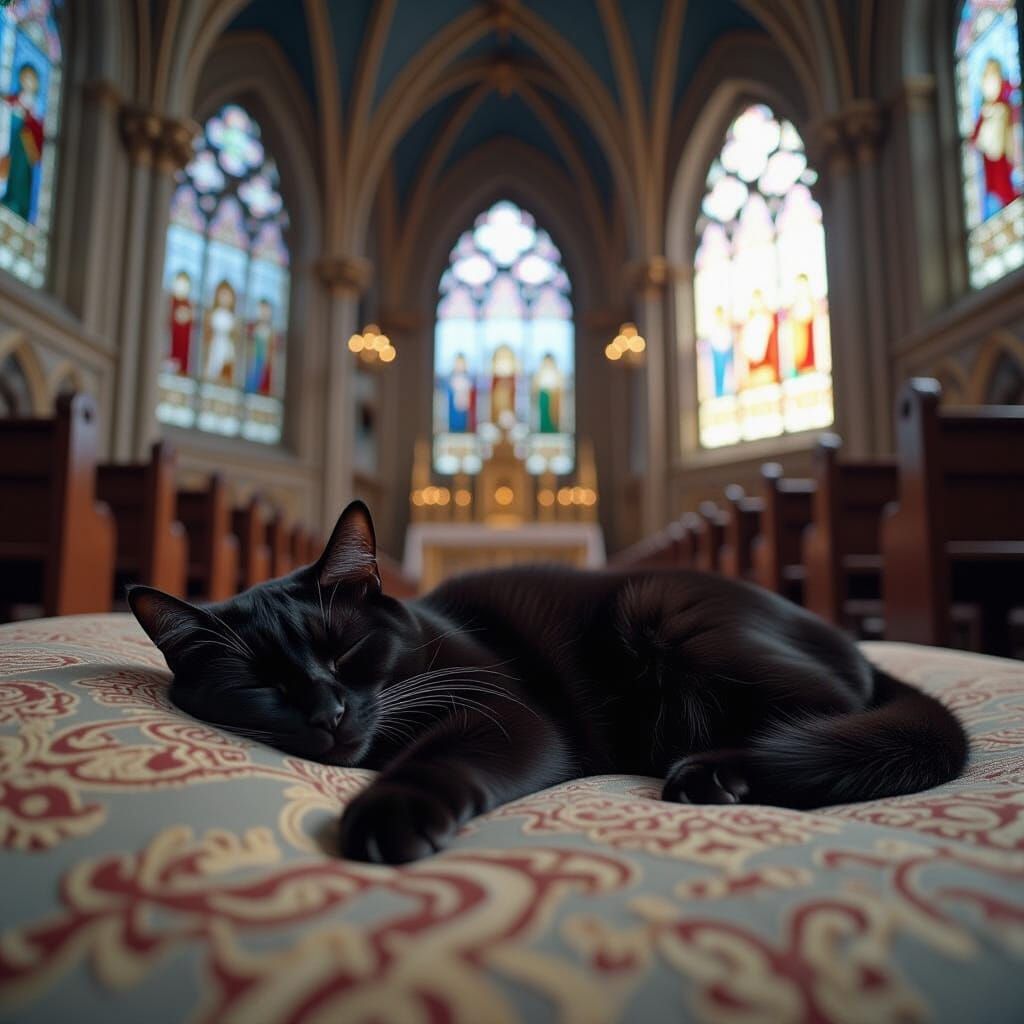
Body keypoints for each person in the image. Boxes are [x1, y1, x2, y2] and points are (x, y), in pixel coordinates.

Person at [970, 58, 1021, 217]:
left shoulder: (1009, 104)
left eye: (993, 76)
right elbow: (975, 140)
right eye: (986, 78)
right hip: (992, 166)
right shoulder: (984, 113)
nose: (989, 83)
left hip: (1009, 161)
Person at [0, 64, 44, 222]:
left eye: (31, 79)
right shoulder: (15, 99)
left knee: (22, 178)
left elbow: (39, 133)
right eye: (26, 78)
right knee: (12, 173)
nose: (28, 82)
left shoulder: (34, 107)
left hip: (26, 152)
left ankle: (21, 206)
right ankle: (10, 198)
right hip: (14, 146)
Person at [203, 281, 239, 386]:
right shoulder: (213, 314)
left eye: (228, 295)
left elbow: (234, 335)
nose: (225, 298)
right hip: (215, 347)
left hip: (227, 349)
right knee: (212, 369)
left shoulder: (232, 317)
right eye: (222, 294)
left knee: (225, 372)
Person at [245, 299, 276, 395]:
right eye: (261, 310)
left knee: (262, 378)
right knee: (252, 376)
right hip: (253, 357)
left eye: (266, 310)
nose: (263, 313)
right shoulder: (253, 327)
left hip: (264, 359)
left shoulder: (270, 330)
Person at [168, 271, 195, 374]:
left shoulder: (189, 306)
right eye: (179, 283)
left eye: (184, 284)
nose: (181, 287)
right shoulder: (169, 303)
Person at [533, 352, 563, 433]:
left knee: (553, 416)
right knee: (544, 416)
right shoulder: (540, 373)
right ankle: (544, 430)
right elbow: (535, 387)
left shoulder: (557, 373)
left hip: (554, 395)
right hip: (543, 395)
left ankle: (553, 429)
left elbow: (560, 385)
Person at [446, 352, 475, 433]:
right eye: (458, 363)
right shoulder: (451, 379)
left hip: (465, 414)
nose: (460, 365)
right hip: (453, 414)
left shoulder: (468, 380)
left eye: (462, 363)